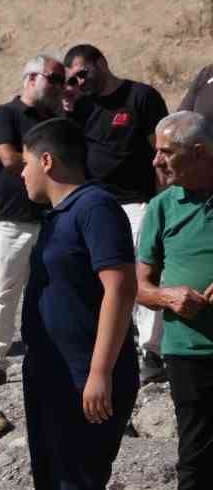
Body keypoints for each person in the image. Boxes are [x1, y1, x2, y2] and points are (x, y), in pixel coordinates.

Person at [15, 117, 140, 490]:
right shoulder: (59, 215)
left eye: (25, 162)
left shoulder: (95, 207)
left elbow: (121, 287)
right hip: (50, 379)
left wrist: (99, 371)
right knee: (52, 485)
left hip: (84, 380)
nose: (20, 174)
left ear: (46, 161)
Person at [134, 111, 213, 490]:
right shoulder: (162, 206)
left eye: (167, 151)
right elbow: (138, 285)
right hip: (189, 355)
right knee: (197, 462)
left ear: (199, 153)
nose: (157, 161)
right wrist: (169, 297)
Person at [64, 45, 170, 383]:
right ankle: (112, 347)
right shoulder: (81, 108)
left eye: (83, 73)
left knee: (144, 273)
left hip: (138, 202)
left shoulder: (141, 97)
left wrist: (162, 201)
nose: (80, 82)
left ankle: (151, 351)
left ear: (101, 63)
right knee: (103, 278)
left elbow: (161, 153)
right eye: (73, 79)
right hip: (96, 205)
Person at [0, 55, 66, 389]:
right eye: (53, 78)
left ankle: (44, 355)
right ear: (30, 77)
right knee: (4, 292)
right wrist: (52, 168)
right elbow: (9, 159)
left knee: (47, 293)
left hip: (51, 218)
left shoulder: (56, 120)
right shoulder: (5, 114)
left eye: (61, 80)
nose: (59, 86)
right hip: (13, 220)